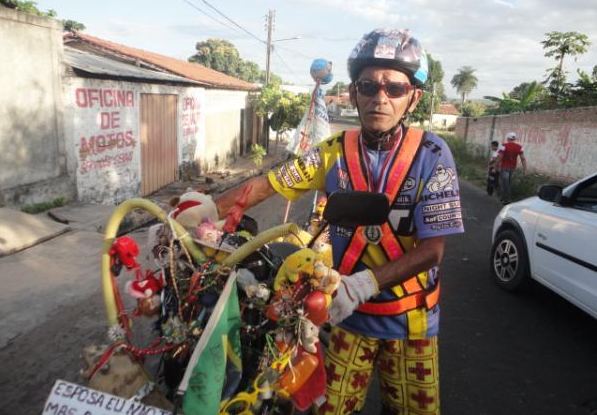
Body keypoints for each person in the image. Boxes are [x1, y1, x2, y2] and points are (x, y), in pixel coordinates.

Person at [214, 28, 464, 415]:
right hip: (348, 319)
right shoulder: (331, 152)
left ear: (413, 98)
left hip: (412, 323)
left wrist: (366, 283)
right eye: (369, 86)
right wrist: (201, 207)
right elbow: (267, 185)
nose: (380, 98)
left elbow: (434, 250)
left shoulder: (433, 154)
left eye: (395, 89)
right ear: (352, 94)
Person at [495, 132, 527, 205]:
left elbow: (499, 157)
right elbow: (523, 158)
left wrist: (496, 166)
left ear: (507, 138)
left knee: (505, 183)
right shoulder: (519, 147)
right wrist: (525, 169)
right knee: (508, 183)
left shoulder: (504, 146)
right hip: (512, 168)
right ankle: (503, 198)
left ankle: (507, 199)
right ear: (515, 139)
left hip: (504, 167)